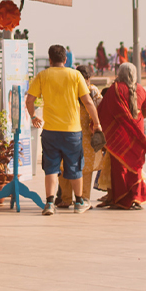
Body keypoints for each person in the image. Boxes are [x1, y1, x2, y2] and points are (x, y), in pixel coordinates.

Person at [26, 45, 101, 216]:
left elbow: (30, 100)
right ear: (66, 60)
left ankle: (50, 203)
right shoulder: (75, 75)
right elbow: (88, 102)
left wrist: (33, 117)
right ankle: (79, 202)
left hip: (50, 131)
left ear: (50, 59)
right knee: (75, 168)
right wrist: (97, 123)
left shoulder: (42, 76)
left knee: (51, 168)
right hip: (72, 131)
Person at [96, 63, 146, 210]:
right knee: (135, 166)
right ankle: (137, 197)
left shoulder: (115, 90)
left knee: (119, 168)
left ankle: (120, 198)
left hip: (118, 135)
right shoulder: (141, 89)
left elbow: (103, 111)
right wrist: (134, 119)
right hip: (137, 134)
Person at [58, 66, 103, 209]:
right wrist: (97, 124)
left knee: (65, 164)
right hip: (86, 132)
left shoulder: (69, 89)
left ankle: (66, 198)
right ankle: (84, 198)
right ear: (88, 78)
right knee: (85, 168)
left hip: (68, 131)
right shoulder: (93, 91)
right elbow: (99, 107)